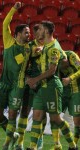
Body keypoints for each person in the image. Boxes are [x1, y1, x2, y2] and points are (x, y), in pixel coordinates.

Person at [26, 21, 77, 150]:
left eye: (41, 29)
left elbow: (52, 71)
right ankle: (32, 147)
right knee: (37, 116)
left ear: (47, 31)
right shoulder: (48, 46)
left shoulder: (53, 48)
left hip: (52, 86)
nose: (38, 31)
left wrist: (34, 79)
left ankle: (72, 145)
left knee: (55, 119)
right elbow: (64, 56)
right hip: (41, 88)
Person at [0, 2, 31, 150]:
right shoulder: (9, 42)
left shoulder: (30, 48)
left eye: (29, 32)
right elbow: (5, 23)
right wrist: (14, 9)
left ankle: (7, 143)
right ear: (18, 34)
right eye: (26, 32)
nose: (29, 34)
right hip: (4, 83)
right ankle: (13, 135)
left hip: (18, 85)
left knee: (12, 114)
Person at [14, 24, 45, 150]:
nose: (38, 35)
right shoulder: (28, 47)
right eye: (36, 32)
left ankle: (39, 140)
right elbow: (22, 65)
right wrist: (28, 79)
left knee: (42, 115)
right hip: (29, 84)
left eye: (41, 32)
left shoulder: (50, 47)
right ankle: (20, 143)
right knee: (24, 111)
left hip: (43, 85)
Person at [60, 50, 80, 148]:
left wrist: (70, 78)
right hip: (64, 92)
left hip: (77, 91)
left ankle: (73, 146)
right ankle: (57, 144)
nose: (64, 67)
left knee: (77, 121)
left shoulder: (72, 56)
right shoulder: (55, 62)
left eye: (64, 64)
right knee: (54, 116)